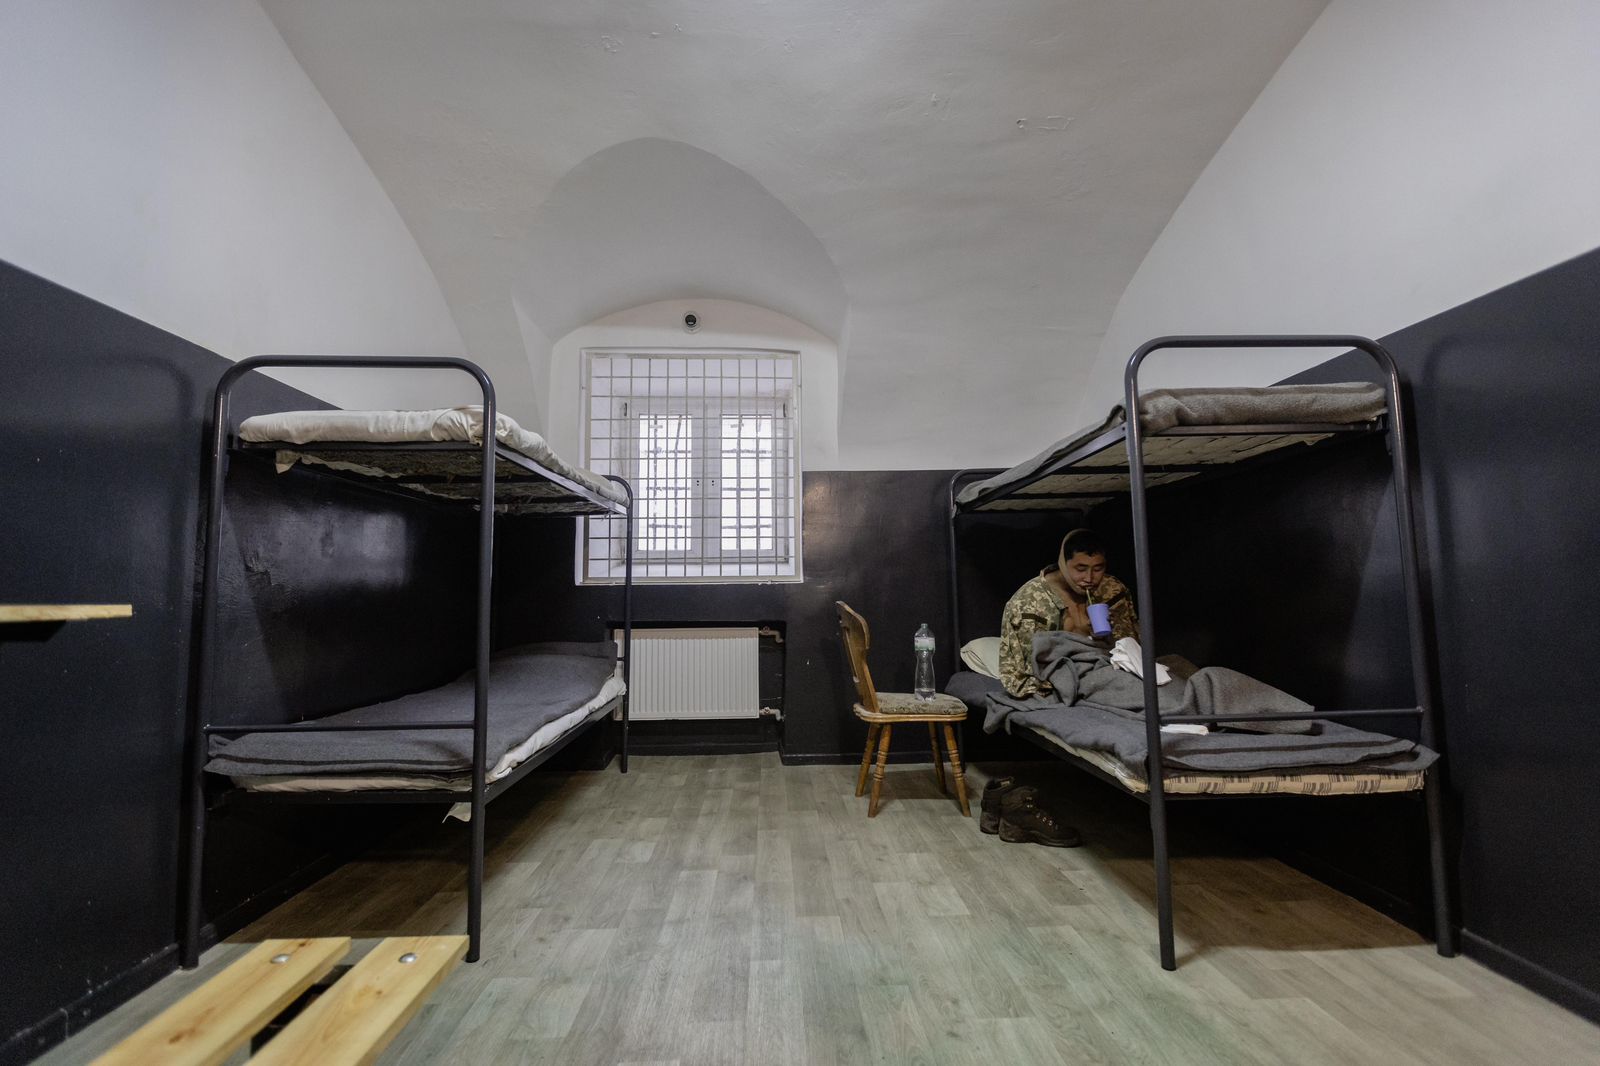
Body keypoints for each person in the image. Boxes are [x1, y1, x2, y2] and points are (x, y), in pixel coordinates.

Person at [998, 528, 1137, 699]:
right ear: (1063, 563)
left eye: (1098, 568)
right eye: (1081, 568)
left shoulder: (1112, 591)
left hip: (1110, 671)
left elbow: (1132, 650)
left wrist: (1106, 638)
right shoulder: (1028, 603)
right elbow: (1021, 671)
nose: (1089, 578)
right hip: (1060, 680)